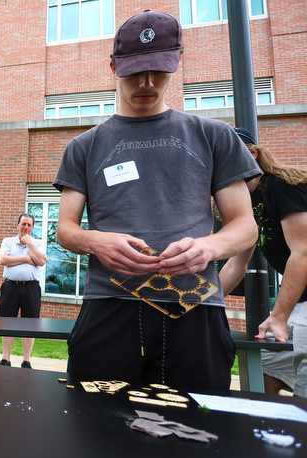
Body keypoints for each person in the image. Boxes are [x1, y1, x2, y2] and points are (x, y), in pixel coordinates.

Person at [53, 10, 261, 390]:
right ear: (113, 66)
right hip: (109, 306)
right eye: (134, 71)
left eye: (159, 69)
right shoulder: (83, 146)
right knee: (97, 433)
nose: (146, 82)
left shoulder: (215, 136)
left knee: (196, 432)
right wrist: (94, 240)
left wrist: (207, 247)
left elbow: (245, 227)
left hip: (194, 308)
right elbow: (65, 230)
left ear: (178, 61)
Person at [220, 128, 307, 396]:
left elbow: (302, 252)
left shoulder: (282, 184)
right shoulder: (243, 203)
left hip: (297, 307)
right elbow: (236, 265)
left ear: (252, 154)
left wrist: (278, 316)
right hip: (298, 302)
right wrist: (198, 305)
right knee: (264, 369)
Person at [0, 213, 47, 368]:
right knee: (7, 322)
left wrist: (29, 244)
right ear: (17, 226)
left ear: (32, 228)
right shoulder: (8, 241)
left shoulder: (38, 243)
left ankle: (26, 360)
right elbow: (3, 260)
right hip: (10, 286)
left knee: (30, 324)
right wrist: (26, 259)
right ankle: (6, 359)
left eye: (29, 225)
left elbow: (40, 261)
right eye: (23, 224)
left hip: (31, 288)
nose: (26, 227)